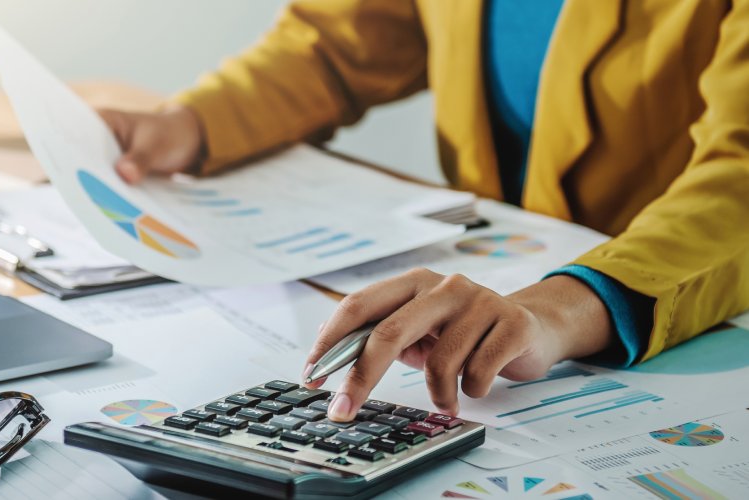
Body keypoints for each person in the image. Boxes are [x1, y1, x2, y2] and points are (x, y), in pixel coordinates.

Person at [98, 0, 749, 421]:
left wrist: (553, 312)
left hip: (672, 303)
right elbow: (341, 40)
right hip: (490, 265)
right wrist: (195, 122)